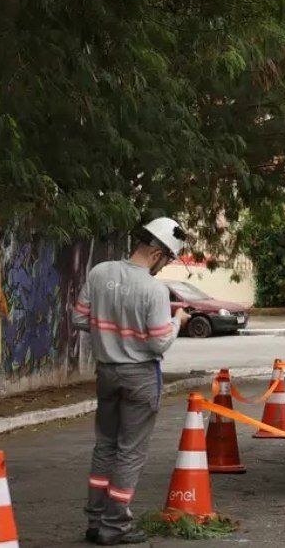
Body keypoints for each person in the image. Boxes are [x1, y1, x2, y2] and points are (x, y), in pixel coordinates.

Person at [71, 217, 190, 545]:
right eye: (166, 260)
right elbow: (158, 343)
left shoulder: (99, 272)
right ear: (156, 252)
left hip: (106, 372)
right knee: (130, 451)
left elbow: (79, 317)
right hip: (139, 376)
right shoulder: (153, 289)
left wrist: (108, 330)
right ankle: (116, 526)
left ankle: (95, 521)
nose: (164, 267)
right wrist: (177, 321)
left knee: (105, 445)